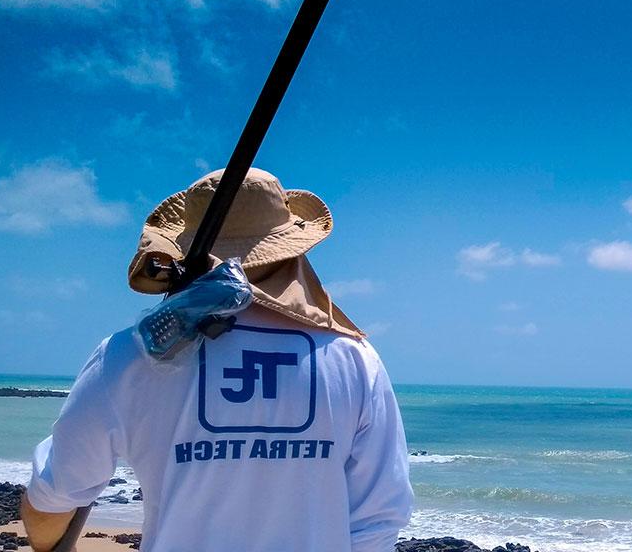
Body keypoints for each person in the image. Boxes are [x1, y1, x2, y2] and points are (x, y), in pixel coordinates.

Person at [21, 169, 414, 552]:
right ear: (294, 248)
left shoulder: (127, 355)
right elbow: (379, 518)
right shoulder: (355, 360)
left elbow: (51, 502)